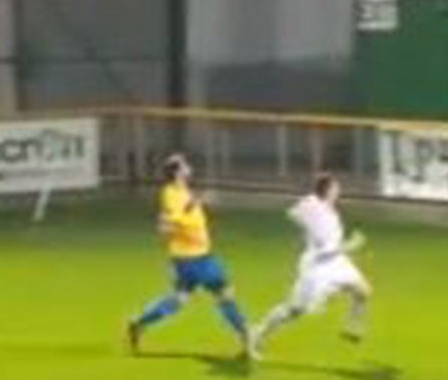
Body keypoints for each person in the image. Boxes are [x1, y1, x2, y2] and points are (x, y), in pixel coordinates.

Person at [125, 153, 252, 356]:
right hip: (196, 257)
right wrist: (194, 203)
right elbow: (175, 218)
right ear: (176, 172)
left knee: (179, 299)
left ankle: (139, 324)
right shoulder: (170, 192)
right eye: (184, 166)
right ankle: (246, 339)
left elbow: (180, 216)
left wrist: (196, 201)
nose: (189, 168)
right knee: (224, 294)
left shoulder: (182, 191)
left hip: (188, 256)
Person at [248, 173, 372, 357]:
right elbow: (327, 248)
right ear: (328, 191)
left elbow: (293, 213)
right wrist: (352, 244)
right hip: (318, 267)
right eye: (336, 188)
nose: (339, 191)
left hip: (337, 262)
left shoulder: (321, 207)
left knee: (364, 290)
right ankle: (257, 334)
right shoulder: (319, 215)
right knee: (295, 310)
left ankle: (352, 327)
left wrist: (305, 217)